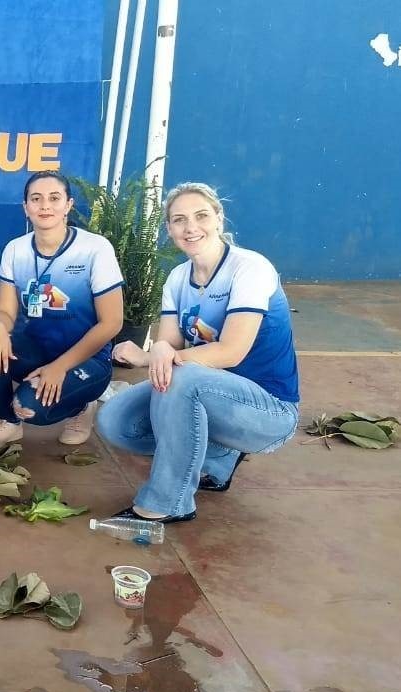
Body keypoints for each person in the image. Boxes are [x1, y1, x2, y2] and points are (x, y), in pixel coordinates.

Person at [97, 182, 300, 522]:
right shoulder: (178, 278)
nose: (191, 227)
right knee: (115, 421)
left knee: (182, 377)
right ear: (169, 229)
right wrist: (156, 350)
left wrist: (151, 356)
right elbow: (170, 346)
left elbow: (231, 352)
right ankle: (219, 457)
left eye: (201, 216)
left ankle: (167, 502)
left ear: (219, 219)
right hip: (210, 394)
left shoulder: (250, 268)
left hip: (269, 410)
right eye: (179, 220)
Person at [0, 170, 124, 450]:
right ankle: (8, 422)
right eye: (36, 199)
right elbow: (5, 309)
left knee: (29, 407)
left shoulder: (94, 249)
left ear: (68, 205)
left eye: (54, 198)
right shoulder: (16, 250)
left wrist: (59, 368)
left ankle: (80, 408)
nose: (45, 206)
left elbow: (112, 322)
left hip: (87, 360)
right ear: (25, 208)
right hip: (38, 350)